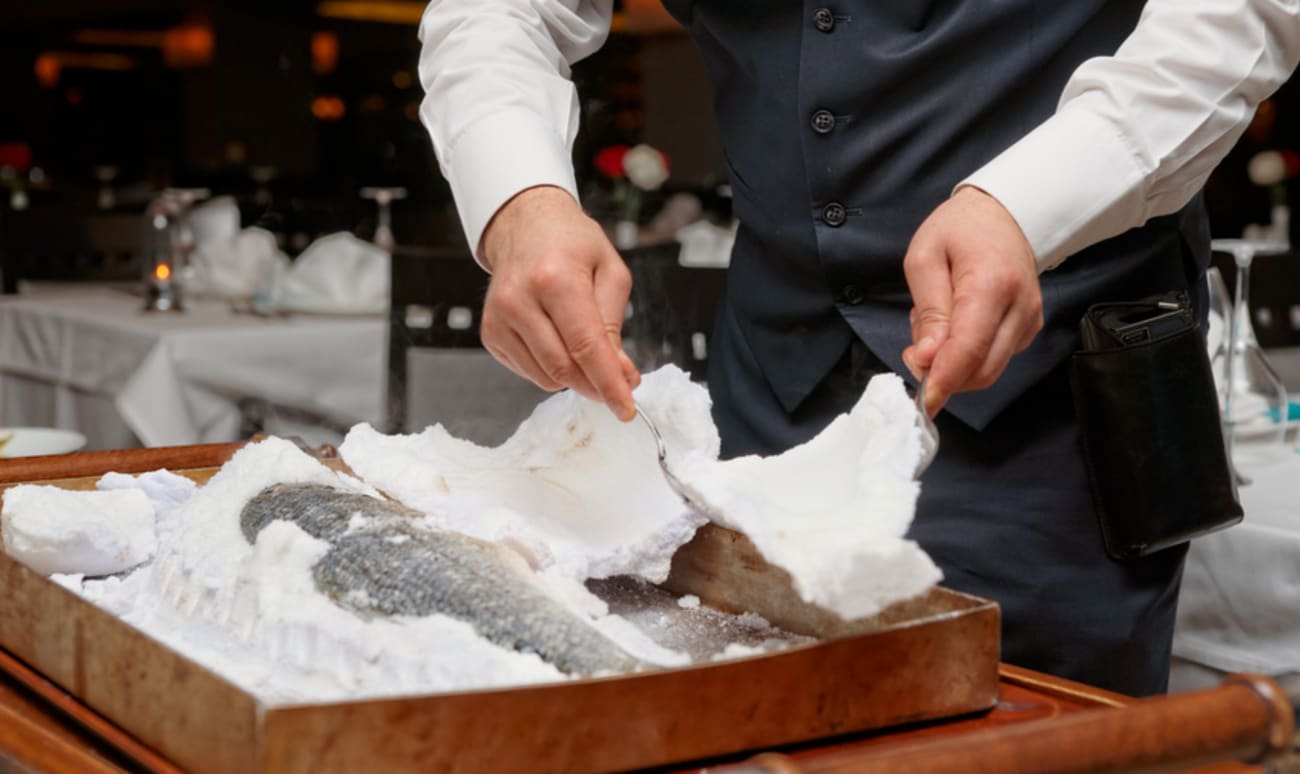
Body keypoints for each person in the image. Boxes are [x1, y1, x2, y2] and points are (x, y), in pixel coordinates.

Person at [417, 1, 1300, 695]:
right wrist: (521, 200)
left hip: (1061, 383)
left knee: (1029, 728)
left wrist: (1035, 201)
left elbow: (1236, 13)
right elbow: (500, 11)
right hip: (770, 369)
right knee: (738, 698)